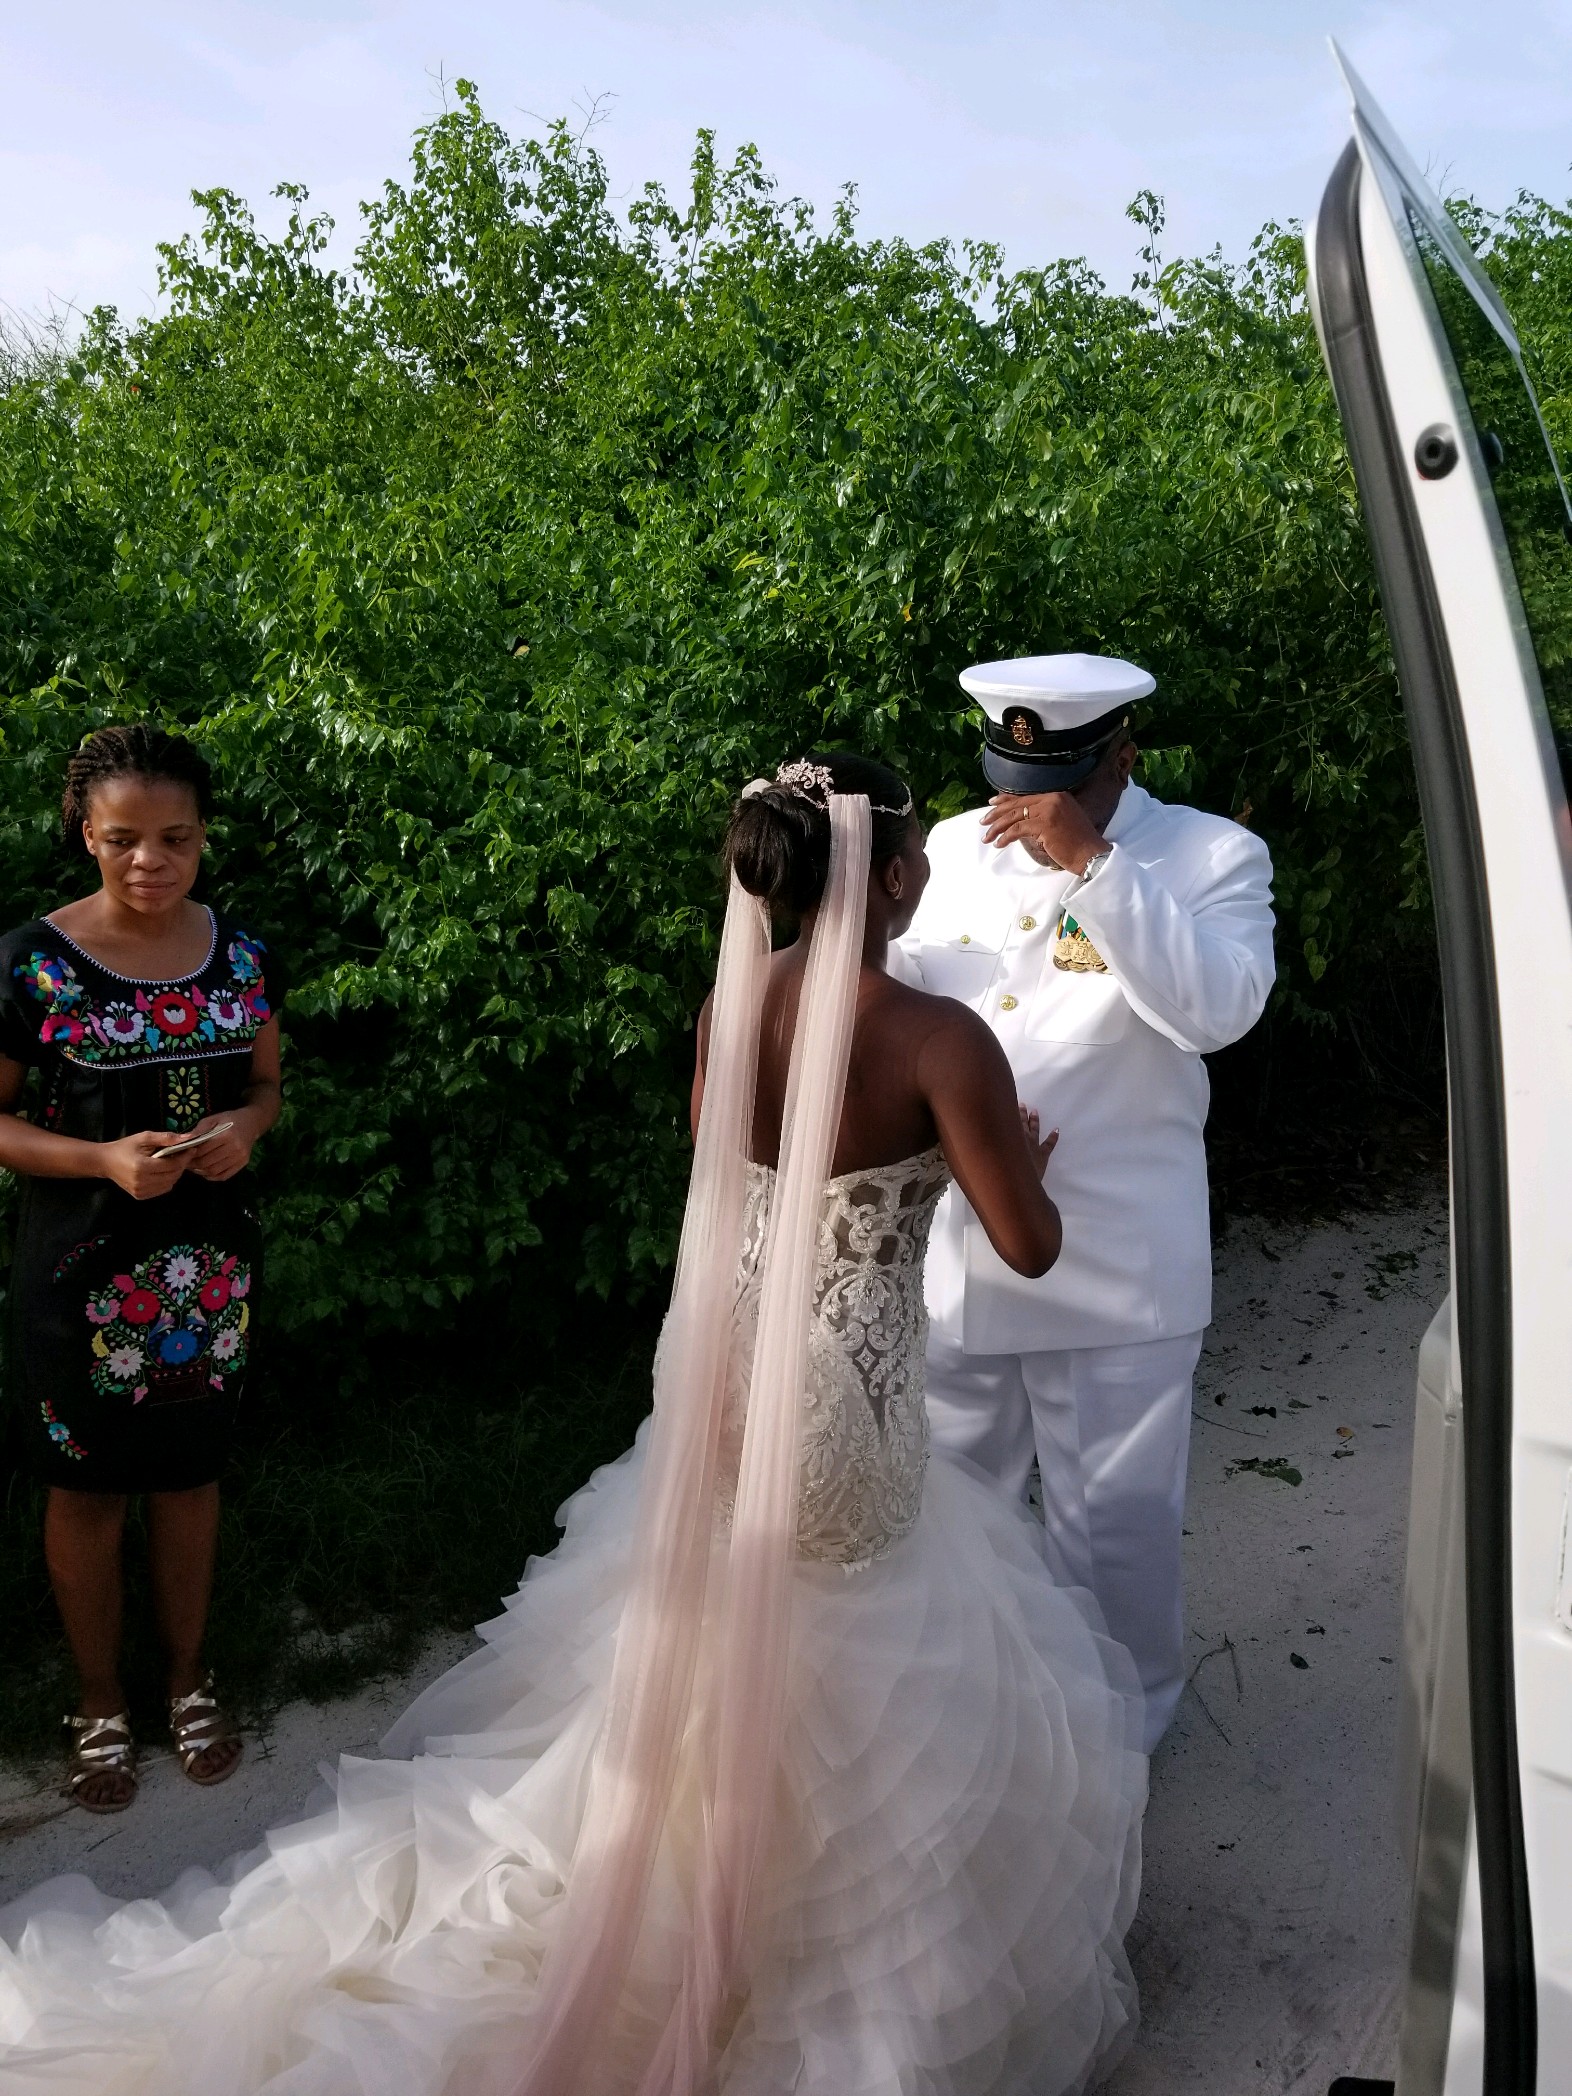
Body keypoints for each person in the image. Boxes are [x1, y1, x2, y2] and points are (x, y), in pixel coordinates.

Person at [0, 751, 1143, 2096]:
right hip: (851, 1401)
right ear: (895, 874)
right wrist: (1009, 1152)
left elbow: (736, 1170)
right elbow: (1027, 1246)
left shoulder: (730, 1007)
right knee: (864, 1652)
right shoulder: (942, 1040)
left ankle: (685, 1880)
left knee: (732, 1633)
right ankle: (797, 1930)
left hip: (724, 1375)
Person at [893, 655, 1276, 1751]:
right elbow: (895, 1003)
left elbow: (1218, 1012)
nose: (1025, 810)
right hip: (964, 1251)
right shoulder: (954, 849)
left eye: (1055, 784)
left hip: (1117, 1270)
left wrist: (1095, 864)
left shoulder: (1209, 853)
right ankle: (960, 1726)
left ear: (1123, 757)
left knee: (1113, 1534)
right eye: (1013, 777)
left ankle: (1120, 1740)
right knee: (948, 1516)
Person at [0, 725, 286, 1813]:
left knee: (188, 1472)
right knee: (84, 1487)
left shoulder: (243, 954)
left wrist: (246, 1130)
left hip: (206, 1276)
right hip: (77, 1276)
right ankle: (97, 1697)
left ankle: (185, 1679)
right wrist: (100, 1161)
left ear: (204, 835)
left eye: (174, 837)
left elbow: (265, 1085)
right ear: (86, 834)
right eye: (124, 838)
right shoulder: (31, 960)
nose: (150, 861)